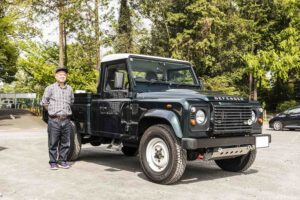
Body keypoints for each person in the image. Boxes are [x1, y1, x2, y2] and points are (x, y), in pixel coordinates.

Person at [41, 67, 74, 170]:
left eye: (64, 74)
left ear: (66, 76)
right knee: (53, 142)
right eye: (60, 74)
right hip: (54, 120)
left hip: (66, 120)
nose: (62, 76)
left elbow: (71, 102)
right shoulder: (50, 88)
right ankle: (53, 162)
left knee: (66, 143)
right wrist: (52, 112)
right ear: (56, 76)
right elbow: (44, 102)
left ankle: (62, 161)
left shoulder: (70, 89)